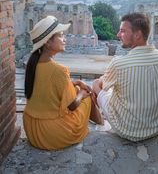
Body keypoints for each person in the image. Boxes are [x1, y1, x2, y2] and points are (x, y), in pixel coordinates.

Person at [23, 15, 103, 151]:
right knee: (87, 95)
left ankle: (99, 120)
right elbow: (72, 106)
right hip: (53, 134)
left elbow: (47, 87)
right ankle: (101, 123)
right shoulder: (59, 70)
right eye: (60, 36)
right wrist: (82, 94)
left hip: (32, 129)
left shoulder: (33, 64)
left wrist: (76, 82)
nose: (64, 39)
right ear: (48, 42)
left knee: (79, 90)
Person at [93, 12, 158, 141]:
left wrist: (101, 81)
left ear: (137, 35)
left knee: (97, 84)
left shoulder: (119, 63)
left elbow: (102, 86)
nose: (118, 35)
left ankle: (99, 120)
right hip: (157, 126)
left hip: (127, 129)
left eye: (123, 31)